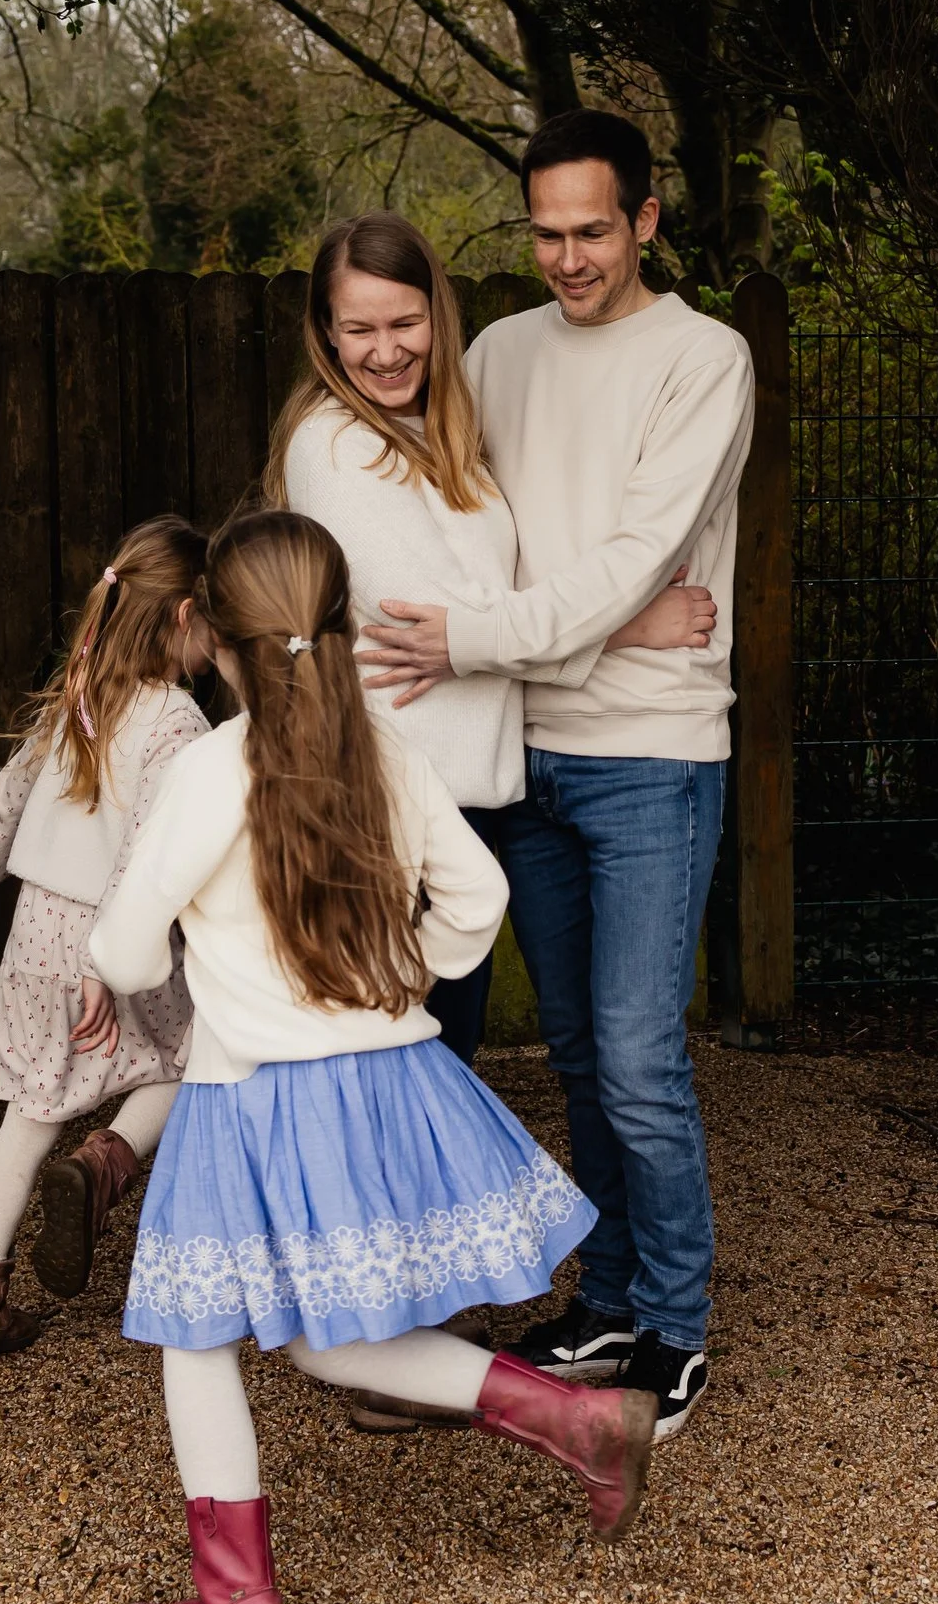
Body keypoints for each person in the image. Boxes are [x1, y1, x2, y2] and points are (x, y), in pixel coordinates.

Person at [90, 511, 660, 1604]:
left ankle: (238, 1602)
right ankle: (576, 1421)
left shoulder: (212, 772)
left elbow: (118, 948)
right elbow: (479, 899)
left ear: (206, 634)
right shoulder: (385, 751)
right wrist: (411, 972)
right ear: (339, 626)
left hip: (249, 1095)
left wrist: (189, 955)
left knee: (197, 1337)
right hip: (384, 1080)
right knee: (315, 1337)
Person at [357, 109, 754, 1442]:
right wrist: (608, 618)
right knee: (579, 1053)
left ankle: (678, 1331)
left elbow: (629, 554)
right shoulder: (495, 352)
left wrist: (502, 632)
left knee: (641, 1055)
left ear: (646, 221)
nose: (570, 258)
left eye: (595, 230)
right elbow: (477, 537)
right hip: (526, 754)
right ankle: (611, 1298)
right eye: (546, 232)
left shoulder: (707, 359)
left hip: (652, 756)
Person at [264, 209, 715, 1067]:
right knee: (405, 1068)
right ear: (325, 332)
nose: (386, 350)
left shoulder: (436, 434)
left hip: (457, 802)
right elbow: (433, 621)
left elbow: (478, 618)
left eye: (405, 323)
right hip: (389, 809)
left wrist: (500, 623)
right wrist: (623, 626)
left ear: (438, 315)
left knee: (442, 1060)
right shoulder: (333, 444)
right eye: (358, 328)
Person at [0, 518, 212, 1364]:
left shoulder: (78, 691)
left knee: (27, 1118)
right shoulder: (180, 725)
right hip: (112, 938)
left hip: (34, 936)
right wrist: (106, 958)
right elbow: (145, 853)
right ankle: (104, 1166)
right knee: (188, 1062)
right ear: (186, 616)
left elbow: (11, 789)